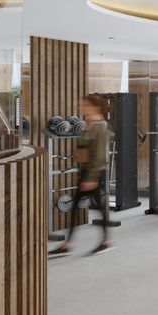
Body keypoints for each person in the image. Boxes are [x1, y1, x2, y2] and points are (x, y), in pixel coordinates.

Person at [48, 96, 113, 257]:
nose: (82, 107)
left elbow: (98, 155)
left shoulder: (100, 126)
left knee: (98, 208)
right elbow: (83, 149)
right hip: (86, 171)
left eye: (85, 105)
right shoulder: (89, 124)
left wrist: (91, 178)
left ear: (95, 107)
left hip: (94, 173)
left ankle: (104, 242)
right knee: (80, 207)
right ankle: (69, 244)